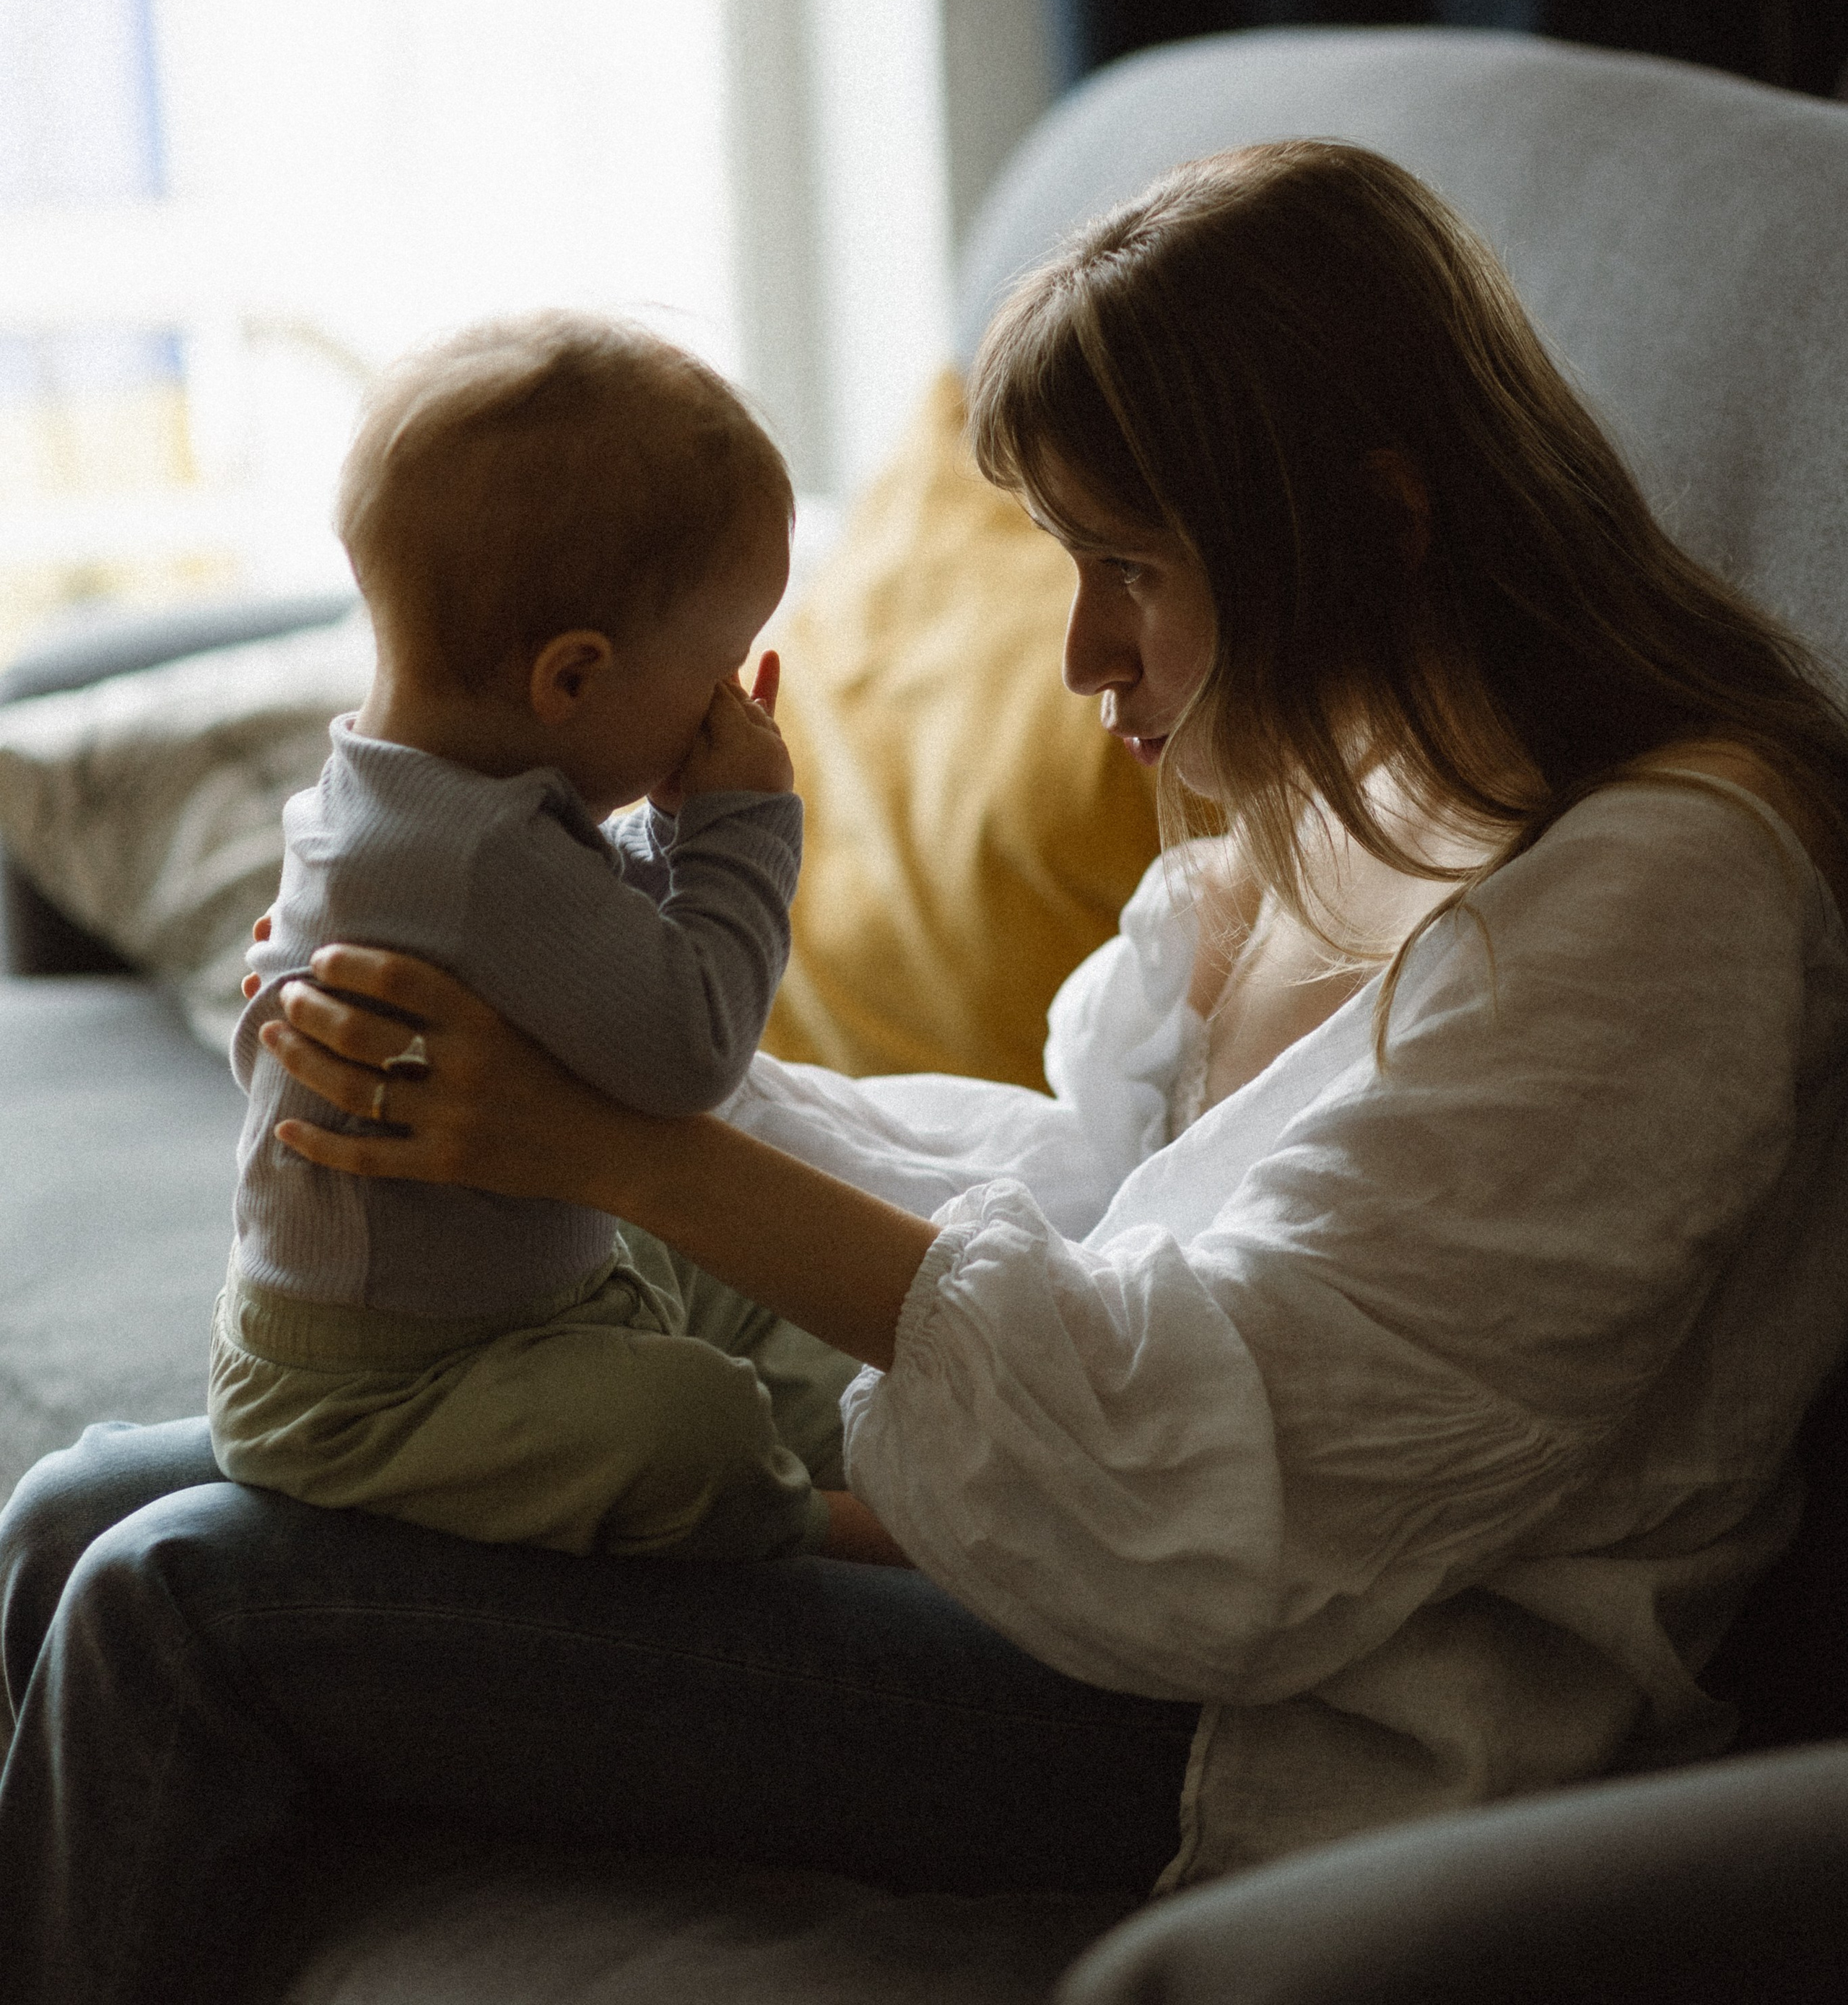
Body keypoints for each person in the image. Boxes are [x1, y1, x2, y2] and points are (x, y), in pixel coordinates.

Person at [4, 141, 1847, 2005]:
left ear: (1375, 519)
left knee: (181, 1605)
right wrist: (479, 1038)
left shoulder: (1670, 896)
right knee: (70, 1509)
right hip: (1063, 1562)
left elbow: (1252, 1503)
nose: (1080, 654)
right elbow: (1072, 1213)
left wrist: (613, 1149)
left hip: (1256, 1708)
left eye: (1131, 566)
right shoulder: (1347, 793)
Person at [210, 310, 872, 1567]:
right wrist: (742, 829)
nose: (728, 703)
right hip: (386, 1394)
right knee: (689, 1419)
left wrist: (658, 844)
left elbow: (570, 934)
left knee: (724, 1270)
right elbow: (687, 1049)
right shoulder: (476, 856)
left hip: (469, 1313)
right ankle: (824, 1525)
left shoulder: (402, 795)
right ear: (571, 680)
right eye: (719, 669)